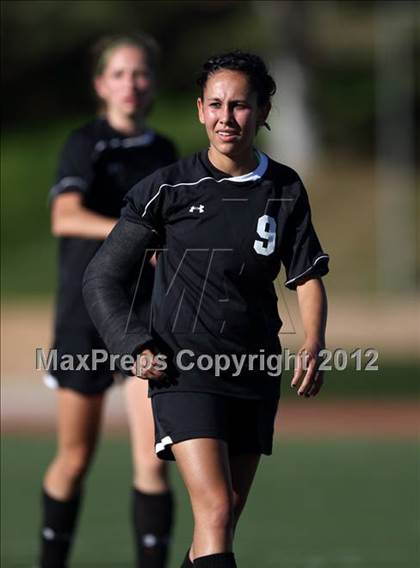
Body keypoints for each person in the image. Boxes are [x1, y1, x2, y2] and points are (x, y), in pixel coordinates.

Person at [83, 51, 329, 568]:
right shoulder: (167, 189)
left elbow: (305, 275)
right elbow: (102, 277)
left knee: (223, 517)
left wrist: (313, 342)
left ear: (263, 111)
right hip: (184, 370)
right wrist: (133, 345)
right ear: (199, 110)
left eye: (240, 105)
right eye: (215, 104)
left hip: (253, 370)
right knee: (215, 511)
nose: (226, 116)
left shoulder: (284, 188)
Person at [39, 33, 178, 568]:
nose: (130, 84)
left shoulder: (164, 152)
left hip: (144, 317)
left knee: (153, 460)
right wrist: (135, 233)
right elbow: (64, 216)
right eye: (119, 74)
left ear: (153, 84)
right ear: (101, 84)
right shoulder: (84, 143)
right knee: (74, 459)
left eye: (140, 74)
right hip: (85, 318)